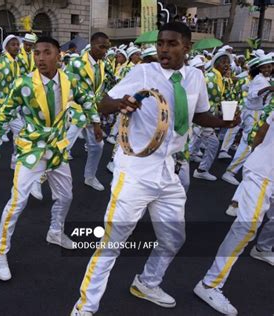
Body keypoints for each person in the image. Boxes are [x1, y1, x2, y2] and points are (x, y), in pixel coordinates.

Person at [71, 22, 240, 316]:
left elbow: (199, 115)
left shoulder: (195, 78)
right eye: (161, 43)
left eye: (172, 44)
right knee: (113, 242)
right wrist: (121, 104)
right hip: (135, 170)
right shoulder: (143, 72)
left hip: (168, 169)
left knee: (174, 237)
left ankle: (147, 282)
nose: (163, 49)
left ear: (187, 47)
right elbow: (102, 103)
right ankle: (85, 306)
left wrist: (223, 123)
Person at [0, 36, 93, 281]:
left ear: (59, 56)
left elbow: (86, 99)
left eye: (47, 52)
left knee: (66, 195)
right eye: (36, 53)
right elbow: (4, 114)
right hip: (31, 150)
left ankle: (55, 232)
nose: (40, 58)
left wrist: (95, 121)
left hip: (57, 149)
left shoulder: (69, 81)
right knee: (17, 202)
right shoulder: (23, 83)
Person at [194, 110, 273, 315]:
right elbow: (262, 131)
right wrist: (258, 159)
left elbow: (263, 130)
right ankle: (209, 284)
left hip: (263, 170)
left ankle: (263, 249)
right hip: (264, 174)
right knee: (246, 227)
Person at [65, 32, 109, 191]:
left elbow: (96, 91)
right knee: (63, 147)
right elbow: (76, 90)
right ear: (91, 44)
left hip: (91, 111)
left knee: (98, 146)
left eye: (106, 47)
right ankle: (37, 179)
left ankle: (90, 177)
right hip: (76, 111)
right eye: (101, 46)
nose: (104, 50)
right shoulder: (77, 62)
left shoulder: (102, 64)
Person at [222, 55, 273, 185]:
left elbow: (246, 88)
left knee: (249, 144)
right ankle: (230, 172)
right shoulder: (261, 80)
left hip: (252, 112)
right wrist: (268, 89)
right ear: (260, 68)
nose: (268, 68)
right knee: (248, 144)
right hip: (254, 114)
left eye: (270, 66)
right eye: (265, 67)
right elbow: (252, 94)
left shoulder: (259, 78)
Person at [190, 51, 231, 181]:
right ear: (216, 64)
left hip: (205, 117)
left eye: (228, 62)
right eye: (223, 62)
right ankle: (201, 170)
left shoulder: (219, 77)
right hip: (203, 117)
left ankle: (188, 158)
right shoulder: (211, 77)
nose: (227, 65)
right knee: (213, 144)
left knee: (193, 141)